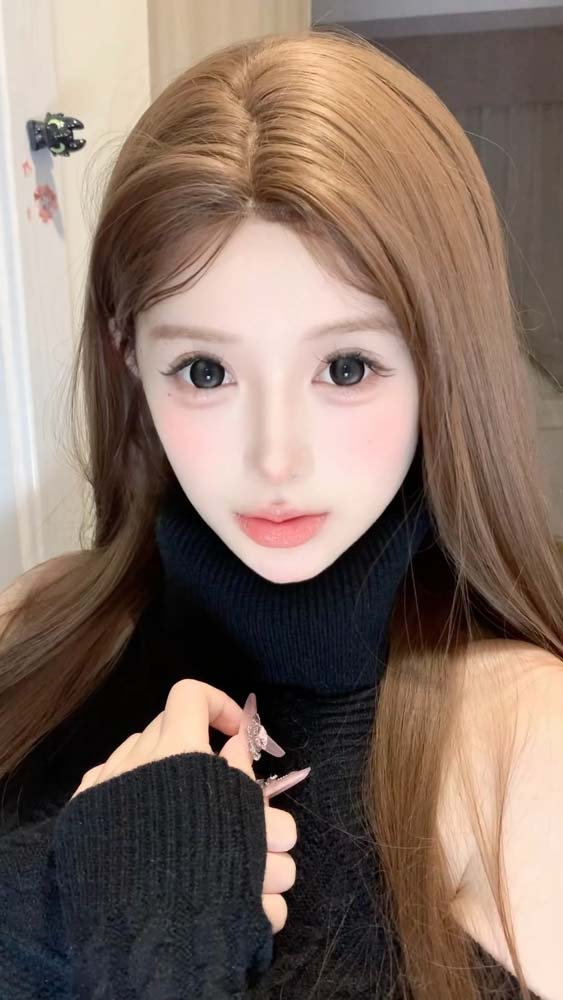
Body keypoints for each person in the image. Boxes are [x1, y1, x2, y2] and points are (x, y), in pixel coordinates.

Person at [0, 24, 562, 1000]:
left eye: (345, 367)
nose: (273, 458)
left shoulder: (526, 745)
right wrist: (55, 914)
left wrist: (155, 958)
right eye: (203, 370)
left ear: (442, 365)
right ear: (130, 360)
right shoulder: (33, 628)